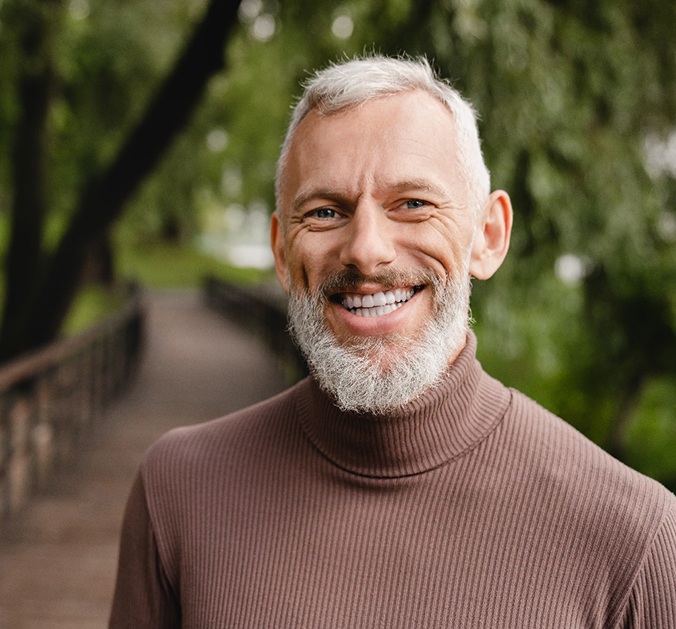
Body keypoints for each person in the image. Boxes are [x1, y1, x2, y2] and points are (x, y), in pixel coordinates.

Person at [109, 55, 676, 628]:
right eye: (326, 212)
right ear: (282, 254)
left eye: (413, 204)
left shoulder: (632, 537)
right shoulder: (177, 489)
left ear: (488, 235)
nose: (367, 250)